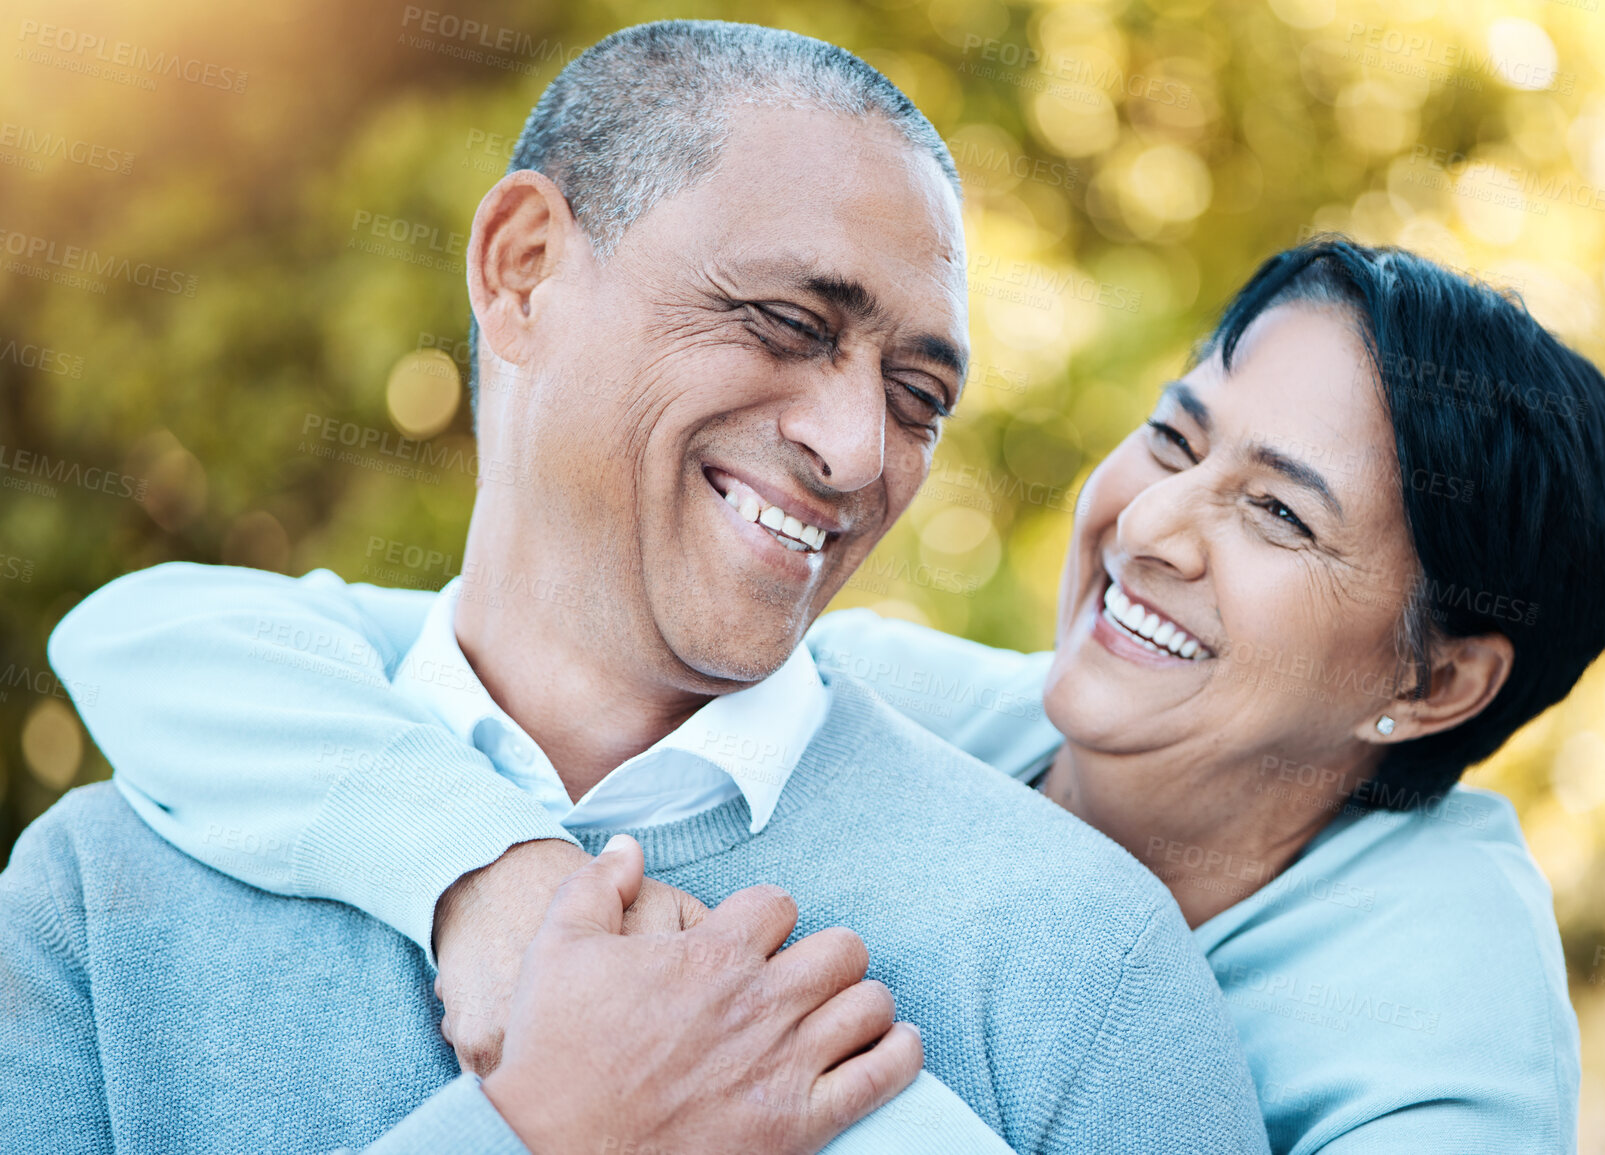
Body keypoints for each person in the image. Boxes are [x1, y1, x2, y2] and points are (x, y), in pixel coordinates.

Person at [53, 238, 1605, 1154]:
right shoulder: (910, 717)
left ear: (1431, 675)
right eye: (1175, 439)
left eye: (1277, 514)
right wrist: (496, 881)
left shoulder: (1442, 1015)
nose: (1152, 529)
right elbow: (167, 639)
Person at [0, 20, 1270, 1155]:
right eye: (785, 321)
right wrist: (543, 1132)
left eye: (918, 396)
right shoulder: (97, 902)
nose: (858, 450)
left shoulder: (1081, 958)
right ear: (525, 268)